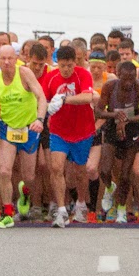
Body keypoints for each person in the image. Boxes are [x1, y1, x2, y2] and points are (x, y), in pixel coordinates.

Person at [0, 44, 48, 229]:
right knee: (4, 171)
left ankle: (25, 194)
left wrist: (40, 119)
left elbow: (41, 97)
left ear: (16, 58)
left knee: (29, 176)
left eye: (10, 58)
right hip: (8, 130)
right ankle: (8, 214)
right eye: (2, 58)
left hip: (29, 129)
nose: (6, 62)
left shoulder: (25, 74)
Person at [41, 45, 97, 227]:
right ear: (58, 63)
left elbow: (88, 97)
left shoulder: (83, 74)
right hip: (59, 131)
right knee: (56, 168)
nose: (66, 69)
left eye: (70, 65)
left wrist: (65, 99)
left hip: (82, 130)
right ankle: (62, 210)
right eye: (63, 65)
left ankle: (81, 203)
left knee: (80, 172)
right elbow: (42, 99)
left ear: (75, 63)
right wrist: (46, 109)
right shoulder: (50, 78)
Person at [97, 59, 139, 224]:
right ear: (118, 75)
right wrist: (115, 115)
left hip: (132, 130)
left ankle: (122, 209)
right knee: (105, 170)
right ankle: (109, 187)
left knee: (125, 174)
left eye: (132, 78)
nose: (128, 83)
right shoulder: (110, 86)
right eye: (125, 79)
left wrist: (127, 119)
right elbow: (98, 112)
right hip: (112, 128)